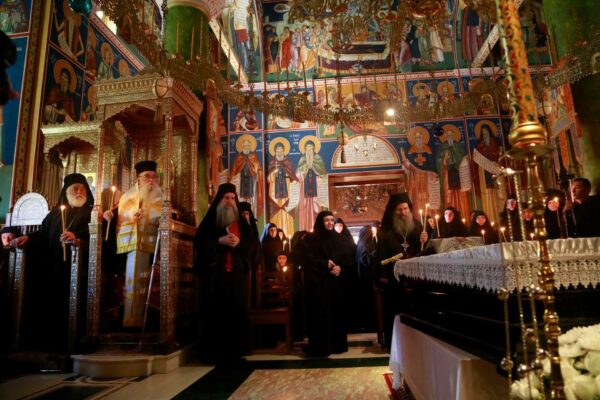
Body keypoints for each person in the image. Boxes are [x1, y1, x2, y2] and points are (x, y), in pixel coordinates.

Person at [10, 173, 93, 351]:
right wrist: (28, 238)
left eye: (83, 189)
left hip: (77, 270)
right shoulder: (55, 214)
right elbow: (43, 234)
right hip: (53, 269)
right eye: (75, 189)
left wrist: (76, 238)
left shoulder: (91, 214)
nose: (79, 192)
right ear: (66, 192)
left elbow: (96, 238)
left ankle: (72, 342)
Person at [194, 183, 260, 363]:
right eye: (226, 198)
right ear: (220, 200)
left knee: (237, 309)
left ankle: (237, 349)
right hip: (214, 274)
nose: (230, 201)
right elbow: (199, 242)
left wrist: (240, 243)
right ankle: (214, 351)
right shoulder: (210, 220)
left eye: (232, 198)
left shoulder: (242, 223)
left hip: (237, 275)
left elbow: (253, 246)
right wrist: (218, 241)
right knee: (214, 309)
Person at [103, 160, 163, 328]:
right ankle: (131, 320)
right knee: (132, 282)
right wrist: (111, 215)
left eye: (154, 177)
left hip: (154, 247)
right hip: (131, 245)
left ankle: (148, 320)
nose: (151, 180)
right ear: (138, 178)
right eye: (147, 176)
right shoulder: (127, 197)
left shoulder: (161, 196)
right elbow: (119, 215)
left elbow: (166, 215)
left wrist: (147, 215)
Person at [377, 192, 427, 349]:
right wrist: (383, 275)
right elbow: (380, 253)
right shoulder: (385, 229)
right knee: (393, 310)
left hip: (413, 277)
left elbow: (424, 250)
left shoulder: (418, 226)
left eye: (405, 209)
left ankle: (413, 344)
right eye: (399, 209)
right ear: (394, 211)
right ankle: (393, 344)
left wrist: (425, 240)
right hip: (393, 277)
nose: (403, 212)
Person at [303, 211, 350, 357]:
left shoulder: (340, 239)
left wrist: (340, 267)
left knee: (337, 313)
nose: (330, 223)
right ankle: (321, 347)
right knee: (321, 314)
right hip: (319, 284)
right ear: (320, 222)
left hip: (336, 283)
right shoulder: (311, 239)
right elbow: (307, 259)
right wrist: (324, 263)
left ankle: (337, 345)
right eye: (326, 220)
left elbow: (348, 258)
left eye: (331, 220)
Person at [355, 225, 377, 332]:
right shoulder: (364, 245)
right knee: (368, 303)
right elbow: (366, 261)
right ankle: (370, 325)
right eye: (371, 232)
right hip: (366, 279)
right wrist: (375, 254)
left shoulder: (361, 243)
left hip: (363, 278)